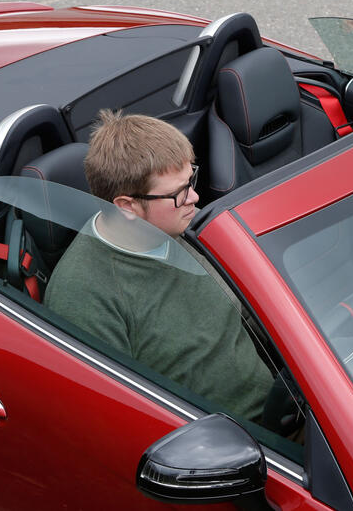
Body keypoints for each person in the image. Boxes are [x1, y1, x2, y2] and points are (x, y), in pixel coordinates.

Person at [44, 110, 274, 422]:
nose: (194, 197)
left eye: (191, 180)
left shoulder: (186, 225)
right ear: (127, 206)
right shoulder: (83, 297)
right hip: (225, 442)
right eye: (178, 193)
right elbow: (117, 416)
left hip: (282, 408)